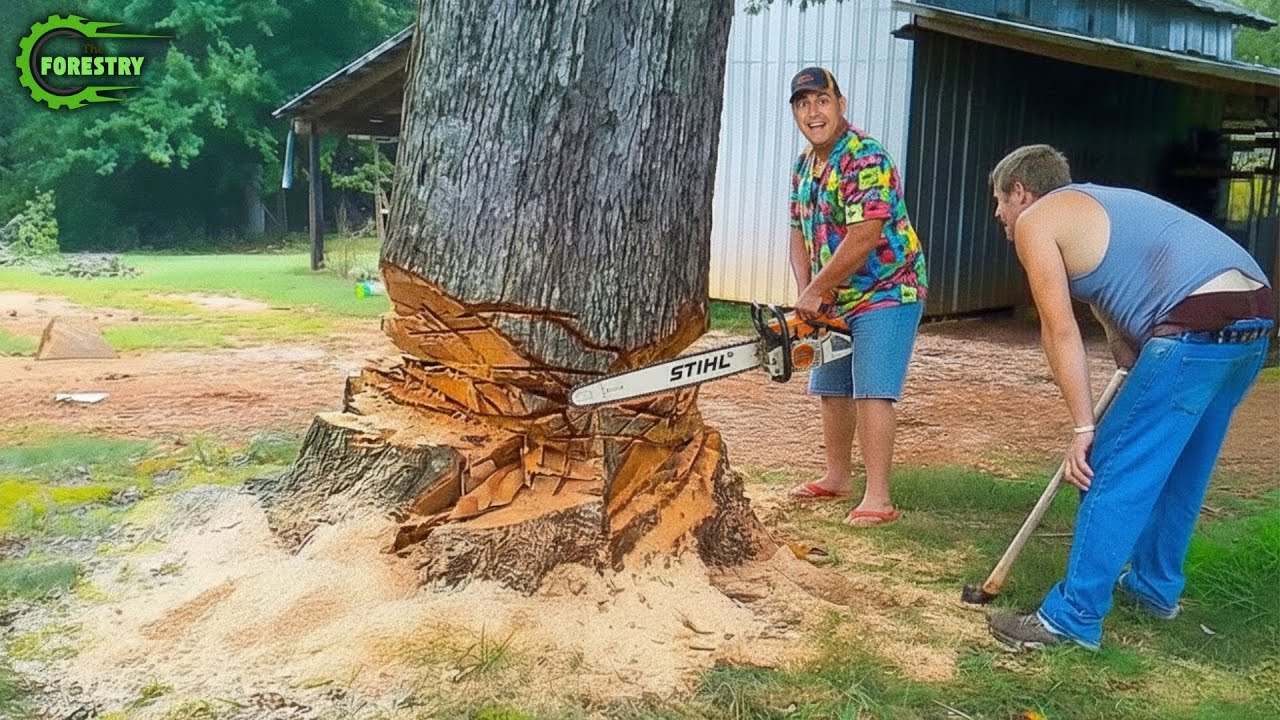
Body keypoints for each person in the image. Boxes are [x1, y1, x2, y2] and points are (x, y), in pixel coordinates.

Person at [985, 144, 1274, 650]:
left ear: (1021, 192)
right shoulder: (1095, 208)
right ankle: (1154, 589)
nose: (998, 215)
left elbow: (1059, 331)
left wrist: (1082, 429)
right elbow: (1117, 297)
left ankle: (1071, 620)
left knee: (1107, 467)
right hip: (1254, 316)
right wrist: (1126, 343)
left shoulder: (1037, 222)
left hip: (1194, 323)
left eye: (998, 200)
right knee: (1183, 469)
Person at [782, 66, 928, 527]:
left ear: (840, 105)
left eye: (821, 101)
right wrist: (808, 293)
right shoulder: (805, 163)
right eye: (803, 104)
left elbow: (866, 235)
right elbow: (797, 233)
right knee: (830, 387)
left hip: (888, 288)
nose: (813, 112)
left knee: (872, 390)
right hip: (836, 295)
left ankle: (879, 498)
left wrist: (816, 289)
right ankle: (837, 477)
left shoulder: (865, 157)